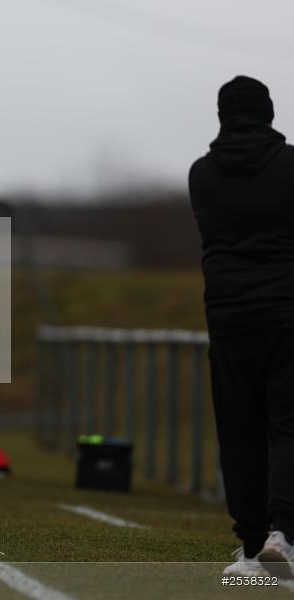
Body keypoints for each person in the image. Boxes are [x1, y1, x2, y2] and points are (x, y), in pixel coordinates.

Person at [189, 75, 294, 579]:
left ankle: (251, 546)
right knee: (287, 427)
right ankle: (285, 533)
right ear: (269, 114)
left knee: (239, 433)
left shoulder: (200, 174)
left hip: (227, 320)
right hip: (286, 315)